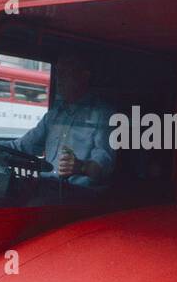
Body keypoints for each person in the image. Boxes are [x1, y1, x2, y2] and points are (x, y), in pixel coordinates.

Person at [11, 52, 114, 187]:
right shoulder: (54, 115)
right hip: (45, 186)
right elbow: (23, 146)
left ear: (84, 76)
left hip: (80, 195)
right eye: (58, 72)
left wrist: (82, 167)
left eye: (66, 72)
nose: (58, 78)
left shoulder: (102, 114)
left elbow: (104, 164)